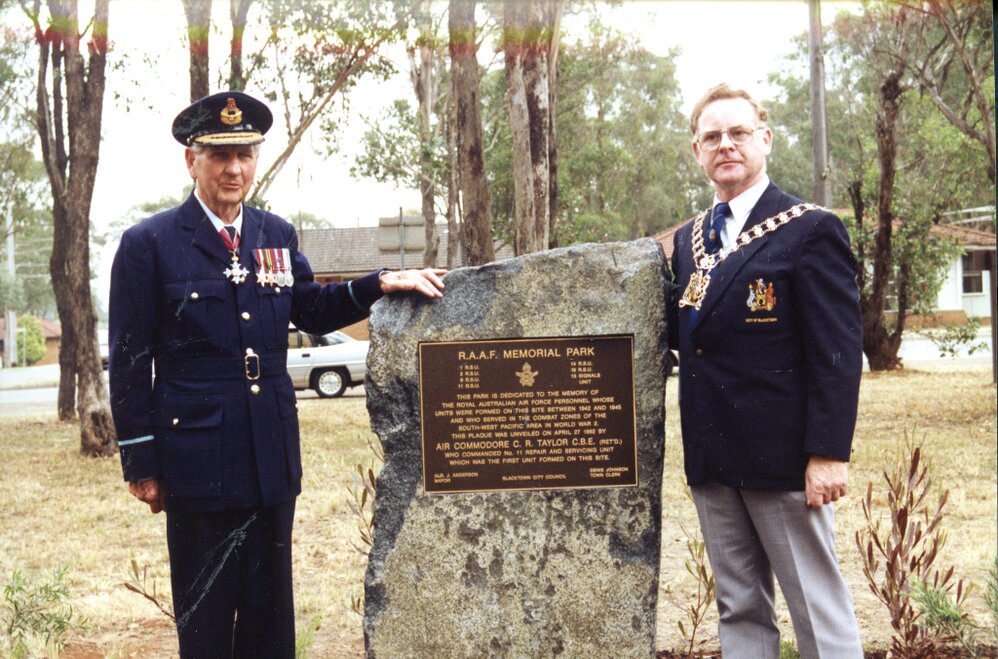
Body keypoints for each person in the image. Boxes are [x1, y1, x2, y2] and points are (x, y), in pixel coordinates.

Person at [108, 90, 445, 657]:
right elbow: (129, 360)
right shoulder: (150, 245)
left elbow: (310, 307)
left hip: (268, 455)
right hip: (196, 461)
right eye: (219, 155)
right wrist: (141, 462)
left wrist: (379, 283)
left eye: (244, 153)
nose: (233, 168)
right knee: (207, 619)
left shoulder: (276, 235)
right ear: (191, 160)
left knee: (269, 617)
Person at [668, 83, 864, 658]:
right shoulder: (689, 240)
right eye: (712, 137)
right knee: (739, 608)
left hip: (783, 461)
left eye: (738, 133)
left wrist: (829, 452)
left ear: (765, 140)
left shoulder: (810, 229)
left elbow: (836, 351)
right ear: (697, 151)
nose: (725, 145)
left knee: (815, 608)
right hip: (713, 455)